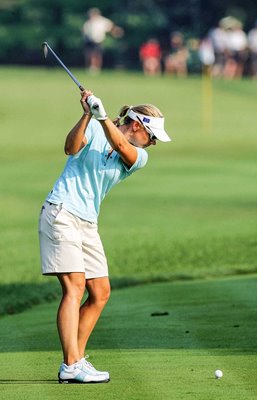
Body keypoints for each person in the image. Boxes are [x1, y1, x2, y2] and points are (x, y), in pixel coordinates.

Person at [38, 89, 171, 384]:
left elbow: (122, 146)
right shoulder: (97, 129)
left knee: (100, 292)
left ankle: (76, 361)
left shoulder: (140, 156)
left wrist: (101, 117)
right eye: (152, 136)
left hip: (87, 222)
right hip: (62, 212)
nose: (154, 143)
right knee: (74, 288)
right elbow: (70, 148)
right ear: (137, 125)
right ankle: (71, 364)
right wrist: (88, 114)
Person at [82, 8, 124, 73]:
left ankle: (96, 68)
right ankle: (91, 67)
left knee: (97, 55)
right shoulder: (88, 23)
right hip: (89, 41)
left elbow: (111, 27)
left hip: (98, 41)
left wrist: (116, 32)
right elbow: (84, 32)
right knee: (89, 55)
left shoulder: (102, 21)